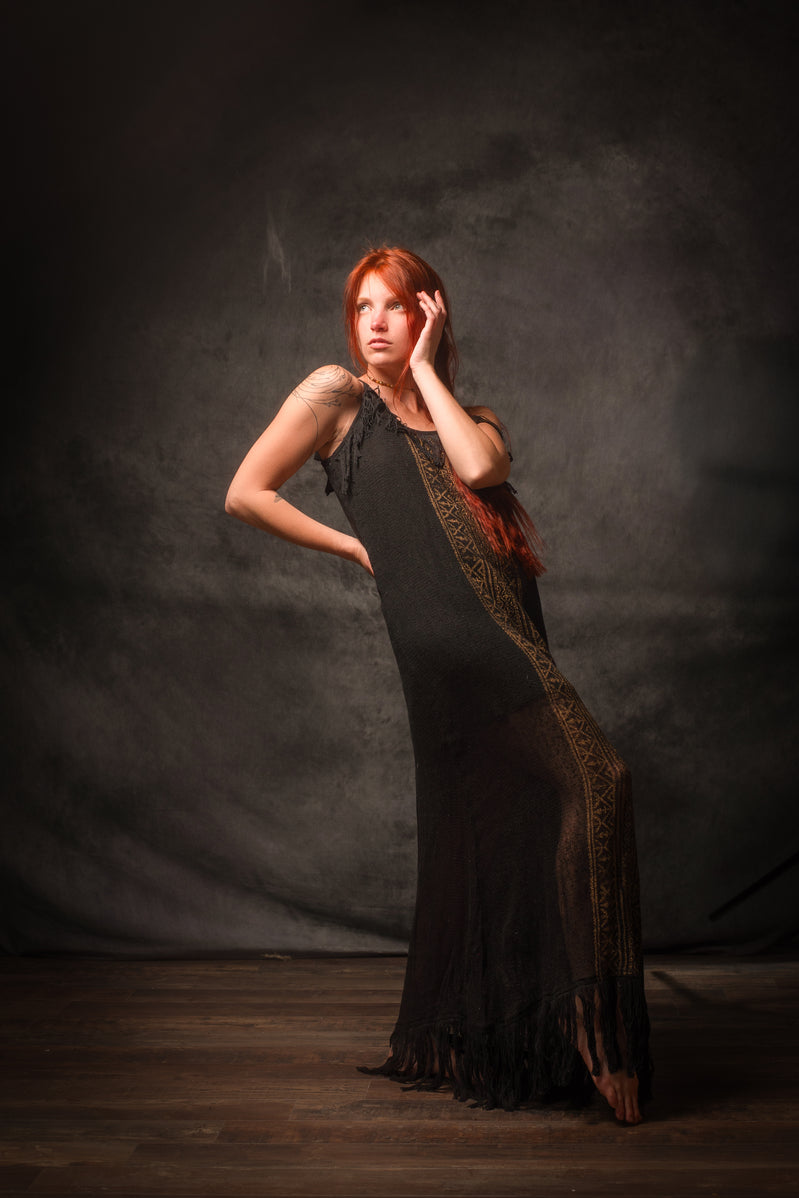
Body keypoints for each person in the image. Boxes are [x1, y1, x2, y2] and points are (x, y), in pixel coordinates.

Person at [225, 246, 653, 1123]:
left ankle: (565, 1027)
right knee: (595, 782)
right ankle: (599, 1030)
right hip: (451, 652)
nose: (375, 322)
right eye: (363, 308)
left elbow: (481, 470)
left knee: (555, 807)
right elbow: (246, 492)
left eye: (395, 306)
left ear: (429, 315)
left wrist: (425, 372)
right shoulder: (336, 398)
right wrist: (351, 546)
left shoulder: (476, 418)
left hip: (513, 638)